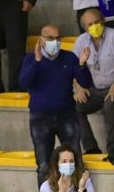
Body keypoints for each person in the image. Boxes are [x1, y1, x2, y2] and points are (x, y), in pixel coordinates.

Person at [20, 25, 91, 183]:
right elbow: (24, 82)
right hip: (40, 117)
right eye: (51, 38)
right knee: (44, 165)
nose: (55, 42)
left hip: (67, 114)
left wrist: (81, 65)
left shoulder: (69, 57)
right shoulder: (31, 59)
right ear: (41, 39)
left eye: (58, 38)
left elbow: (86, 82)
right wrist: (37, 62)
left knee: (75, 161)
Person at [73, 10, 114, 155]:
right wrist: (79, 88)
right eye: (90, 24)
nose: (94, 26)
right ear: (84, 27)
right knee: (74, 106)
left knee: (110, 102)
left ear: (103, 21)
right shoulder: (81, 41)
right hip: (95, 89)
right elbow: (74, 68)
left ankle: (113, 147)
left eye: (97, 22)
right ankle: (91, 148)